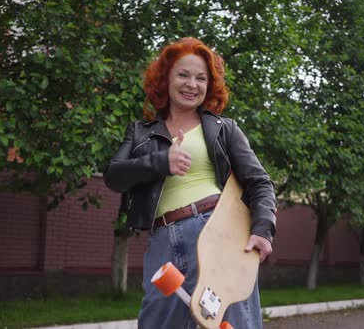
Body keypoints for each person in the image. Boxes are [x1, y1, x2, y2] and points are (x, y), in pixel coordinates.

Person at [104, 37, 277, 329]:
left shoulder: (224, 128)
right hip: (163, 239)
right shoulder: (140, 131)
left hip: (218, 231)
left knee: (233, 322)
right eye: (183, 75)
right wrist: (161, 161)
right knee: (158, 321)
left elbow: (259, 181)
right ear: (166, 79)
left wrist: (263, 229)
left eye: (201, 78)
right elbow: (114, 176)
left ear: (209, 85)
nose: (191, 84)